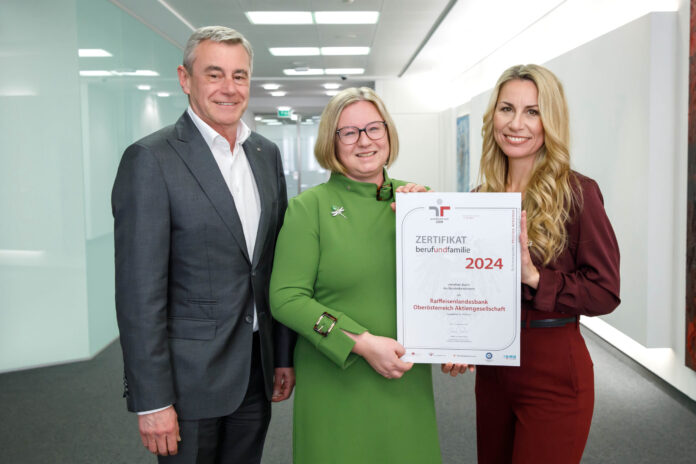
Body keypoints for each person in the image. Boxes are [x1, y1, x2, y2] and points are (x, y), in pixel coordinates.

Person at [112, 26, 296, 463]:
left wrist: (282, 356)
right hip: (187, 383)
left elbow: (273, 264)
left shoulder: (265, 153)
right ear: (185, 79)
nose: (229, 89)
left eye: (240, 75)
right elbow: (140, 292)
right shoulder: (151, 159)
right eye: (214, 74)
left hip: (255, 369)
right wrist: (152, 399)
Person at [443, 64, 620, 463]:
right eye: (507, 109)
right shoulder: (479, 197)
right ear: (493, 117)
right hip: (494, 373)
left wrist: (534, 278)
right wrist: (460, 339)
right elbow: (470, 288)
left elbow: (605, 292)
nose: (516, 123)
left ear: (549, 121)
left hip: (554, 371)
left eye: (532, 111)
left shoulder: (578, 192)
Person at [269, 87, 442, 463]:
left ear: (388, 133)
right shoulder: (308, 208)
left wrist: (460, 343)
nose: (364, 141)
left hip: (405, 378)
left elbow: (449, 285)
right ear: (332, 141)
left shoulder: (419, 201)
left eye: (374, 129)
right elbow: (286, 299)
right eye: (349, 132)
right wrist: (361, 343)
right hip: (335, 380)